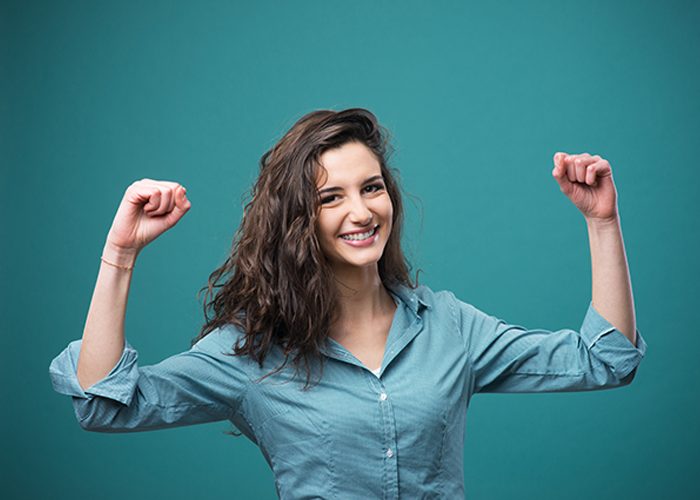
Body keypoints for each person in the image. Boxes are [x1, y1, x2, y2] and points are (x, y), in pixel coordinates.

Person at [49, 108, 647, 499]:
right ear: (296, 222)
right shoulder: (252, 352)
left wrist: (602, 222)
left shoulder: (450, 329)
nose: (361, 212)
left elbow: (606, 359)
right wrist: (120, 255)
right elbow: (104, 405)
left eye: (371, 188)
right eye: (330, 197)